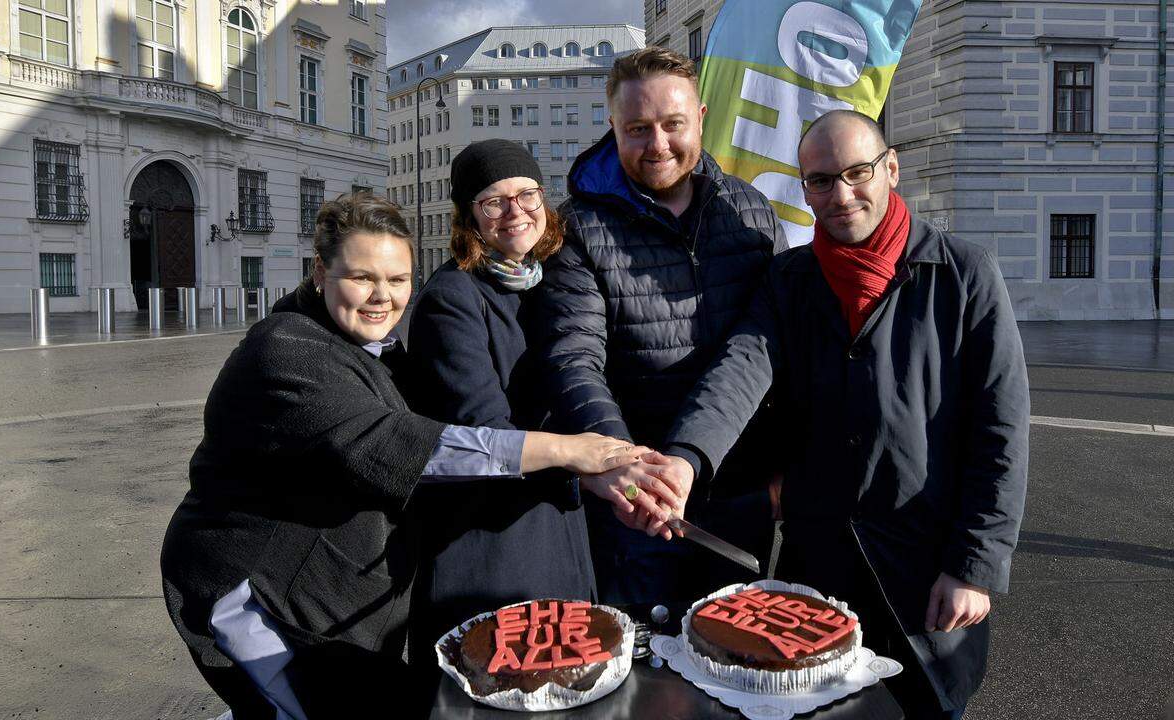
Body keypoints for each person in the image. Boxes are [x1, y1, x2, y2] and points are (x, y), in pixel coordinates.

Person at [160, 193, 648, 719]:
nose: (381, 297)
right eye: (361, 277)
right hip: (263, 599)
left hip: (340, 595)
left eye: (397, 281)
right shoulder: (285, 348)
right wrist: (568, 449)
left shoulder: (378, 350)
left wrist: (586, 476)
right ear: (320, 271)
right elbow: (406, 445)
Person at [658, 110, 1030, 718]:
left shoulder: (965, 274)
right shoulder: (791, 279)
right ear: (803, 187)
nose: (841, 194)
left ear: (891, 169)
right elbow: (740, 369)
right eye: (821, 181)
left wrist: (975, 565)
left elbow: (1002, 432)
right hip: (820, 565)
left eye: (858, 173)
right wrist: (685, 460)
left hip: (926, 574)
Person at [405, 140, 680, 666]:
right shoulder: (452, 298)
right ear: (469, 217)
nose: (515, 212)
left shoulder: (550, 280)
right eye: (494, 202)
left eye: (527, 194)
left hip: (558, 524)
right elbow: (484, 432)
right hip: (489, 542)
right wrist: (588, 469)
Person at [531, 46, 788, 605]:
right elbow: (573, 359)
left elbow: (770, 349)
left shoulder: (751, 214)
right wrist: (628, 468)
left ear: (700, 118)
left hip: (735, 487)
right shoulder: (577, 228)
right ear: (612, 127)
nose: (659, 145)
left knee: (735, 665)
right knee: (642, 673)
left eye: (673, 124)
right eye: (638, 128)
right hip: (637, 502)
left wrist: (781, 466)